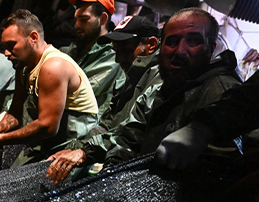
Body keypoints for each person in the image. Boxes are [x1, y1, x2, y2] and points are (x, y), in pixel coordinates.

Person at [47, 8, 243, 181]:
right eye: (172, 41)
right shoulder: (167, 81)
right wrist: (92, 161)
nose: (180, 51)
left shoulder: (223, 93)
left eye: (193, 40)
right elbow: (128, 135)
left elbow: (221, 174)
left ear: (212, 48)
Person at [0, 9, 99, 168]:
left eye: (11, 45)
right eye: (4, 46)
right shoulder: (22, 66)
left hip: (75, 145)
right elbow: (16, 113)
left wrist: (2, 139)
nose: (6, 53)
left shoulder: (53, 66)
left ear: (33, 38)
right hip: (48, 142)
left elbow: (48, 126)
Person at [46, 14, 160, 182]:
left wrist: (85, 152)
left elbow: (129, 134)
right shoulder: (127, 79)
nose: (118, 58)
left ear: (150, 45)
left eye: (125, 49)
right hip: (116, 166)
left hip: (141, 176)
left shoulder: (158, 80)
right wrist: (75, 148)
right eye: (115, 50)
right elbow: (107, 123)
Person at [156, 70, 259, 169]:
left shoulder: (218, 86)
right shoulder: (159, 81)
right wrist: (202, 128)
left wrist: (202, 129)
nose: (180, 53)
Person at [61, 0, 125, 111]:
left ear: (103, 19)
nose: (76, 25)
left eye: (83, 20)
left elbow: (77, 94)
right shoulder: (70, 50)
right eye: (76, 19)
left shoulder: (113, 57)